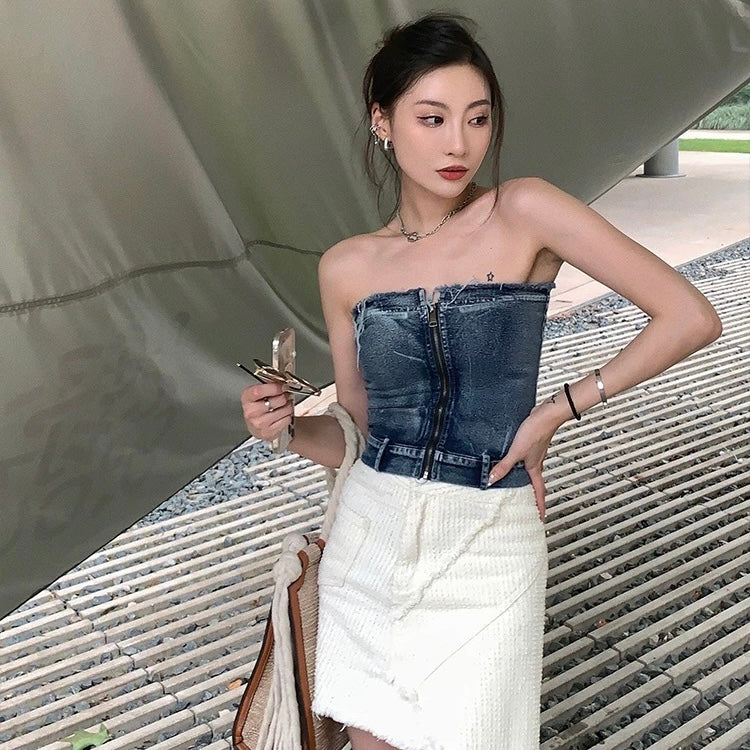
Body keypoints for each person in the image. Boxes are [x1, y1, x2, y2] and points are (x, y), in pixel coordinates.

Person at [240, 11, 722, 750]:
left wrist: (557, 410)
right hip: (372, 537)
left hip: (489, 537)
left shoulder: (524, 211)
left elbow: (689, 316)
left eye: (478, 118)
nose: (459, 144)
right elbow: (359, 435)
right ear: (382, 121)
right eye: (432, 118)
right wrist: (283, 429)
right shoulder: (346, 266)